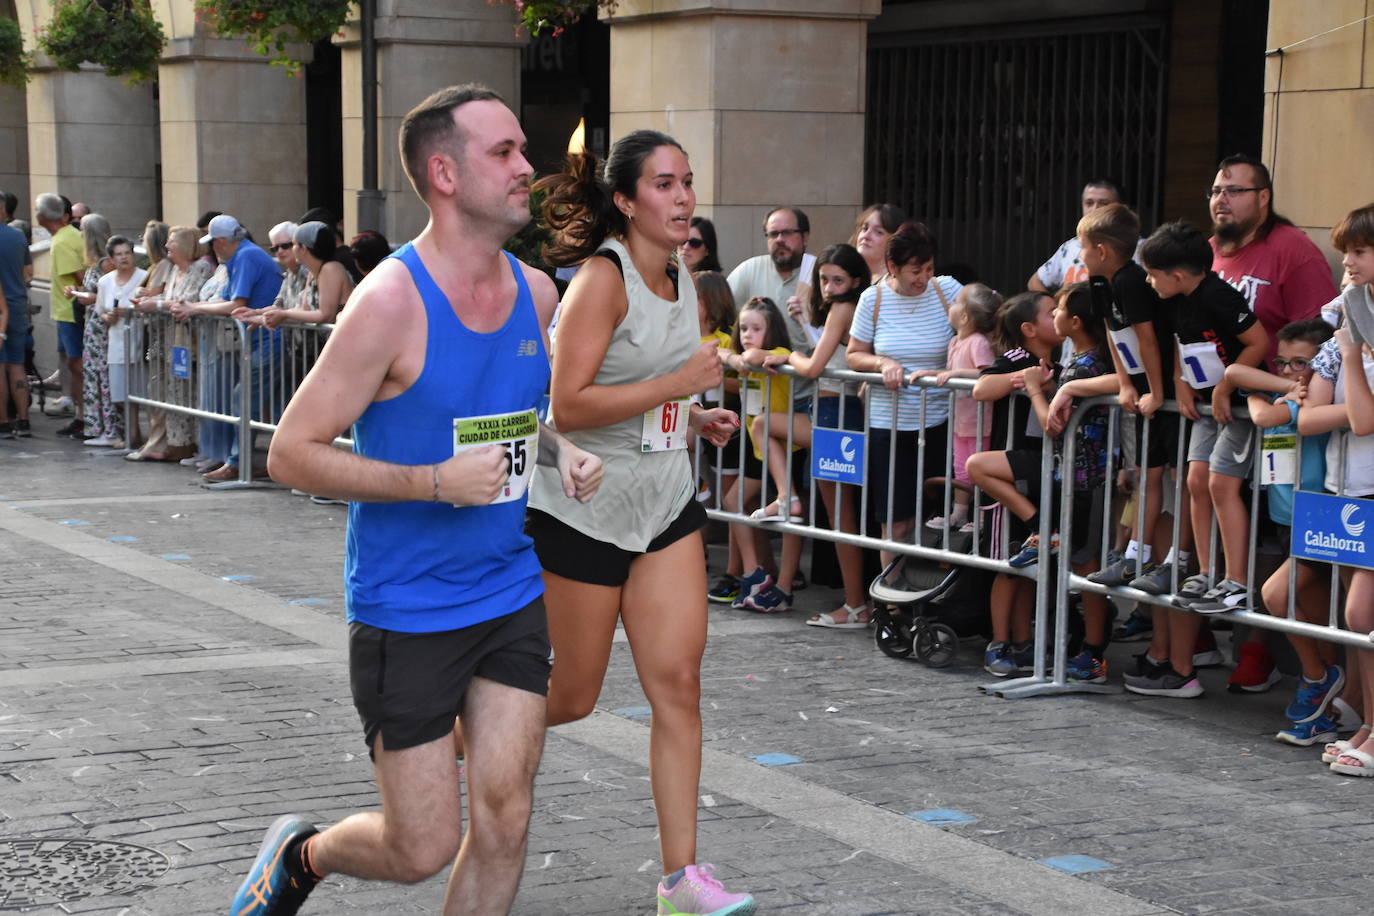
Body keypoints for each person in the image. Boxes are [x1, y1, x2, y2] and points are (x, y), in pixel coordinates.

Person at [229, 84, 604, 916]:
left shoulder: (538, 293)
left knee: (506, 818)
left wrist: (560, 448)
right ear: (443, 172)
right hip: (407, 609)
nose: (526, 168)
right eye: (503, 153)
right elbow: (291, 452)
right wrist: (434, 484)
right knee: (421, 846)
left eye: (521, 149)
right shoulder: (389, 304)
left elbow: (513, 417)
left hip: (509, 590)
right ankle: (304, 854)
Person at [523, 127, 754, 916]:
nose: (683, 197)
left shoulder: (681, 273)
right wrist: (677, 387)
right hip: (585, 509)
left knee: (678, 684)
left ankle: (681, 879)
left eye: (687, 181)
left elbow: (660, 388)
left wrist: (694, 420)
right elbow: (568, 405)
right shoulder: (603, 278)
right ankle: (453, 740)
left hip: (664, 503)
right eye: (663, 184)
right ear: (624, 200)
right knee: (572, 697)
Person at [1123, 221, 1269, 700]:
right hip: (1206, 408)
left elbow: (1259, 343)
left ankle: (1236, 581)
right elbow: (1186, 348)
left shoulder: (1221, 296)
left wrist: (1227, 384)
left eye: (1152, 275)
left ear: (1178, 274)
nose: (1148, 283)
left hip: (1241, 407)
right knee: (1195, 482)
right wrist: (1185, 386)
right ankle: (1205, 574)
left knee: (1223, 486)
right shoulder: (1180, 303)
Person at [1227, 319, 1339, 742]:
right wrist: (1274, 382)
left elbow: (1261, 415)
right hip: (1288, 521)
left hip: (1321, 518)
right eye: (1282, 361)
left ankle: (1317, 679)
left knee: (1276, 595)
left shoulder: (1301, 402)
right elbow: (1234, 373)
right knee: (1316, 616)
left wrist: (1270, 394)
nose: (1291, 371)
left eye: (1301, 363)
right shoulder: (1283, 389)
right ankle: (1327, 704)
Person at [763, 244, 872, 627]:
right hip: (828, 411)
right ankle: (786, 496)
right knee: (764, 424)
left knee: (842, 518)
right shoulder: (843, 308)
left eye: (837, 279)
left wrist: (787, 356)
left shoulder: (845, 308)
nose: (828, 286)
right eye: (823, 279)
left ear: (855, 280)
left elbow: (811, 367)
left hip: (837, 413)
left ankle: (856, 604)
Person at [846, 222, 959, 568]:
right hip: (889, 425)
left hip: (941, 422)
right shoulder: (873, 298)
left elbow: (982, 327)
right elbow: (854, 354)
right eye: (915, 270)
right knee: (895, 521)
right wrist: (883, 363)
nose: (923, 277)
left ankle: (928, 603)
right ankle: (890, 610)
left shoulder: (948, 290)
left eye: (929, 269)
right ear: (893, 267)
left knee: (939, 519)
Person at [967, 292, 1062, 675]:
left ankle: (1023, 643)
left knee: (1029, 571)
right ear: (1029, 329)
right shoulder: (1019, 359)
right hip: (1008, 479)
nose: (1059, 315)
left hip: (1037, 471)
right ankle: (999, 642)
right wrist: (1021, 379)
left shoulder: (1057, 363)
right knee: (1009, 567)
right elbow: (981, 388)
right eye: (1051, 312)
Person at [172, 214, 283, 481]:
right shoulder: (241, 257)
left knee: (245, 399)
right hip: (259, 340)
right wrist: (194, 308)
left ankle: (238, 462)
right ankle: (253, 461)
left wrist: (194, 308)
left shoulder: (245, 257)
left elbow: (236, 304)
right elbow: (227, 300)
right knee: (258, 402)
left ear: (221, 242)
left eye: (214, 243)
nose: (213, 249)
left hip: (267, 340)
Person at [719, 296, 804, 614]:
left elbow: (752, 357)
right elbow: (725, 355)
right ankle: (754, 573)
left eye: (756, 328)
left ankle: (784, 584)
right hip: (757, 450)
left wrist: (739, 358)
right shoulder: (745, 360)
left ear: (772, 331)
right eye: (743, 328)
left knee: (793, 517)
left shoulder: (777, 355)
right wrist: (729, 358)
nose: (747, 334)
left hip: (784, 447)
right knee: (732, 500)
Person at [133, 225, 213, 462]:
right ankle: (178, 445)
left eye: (173, 241)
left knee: (193, 395)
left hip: (192, 343)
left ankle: (195, 446)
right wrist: (149, 301)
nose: (167, 246)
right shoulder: (172, 270)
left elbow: (187, 302)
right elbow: (170, 299)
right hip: (171, 342)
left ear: (186, 245)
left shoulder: (200, 268)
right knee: (174, 394)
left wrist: (156, 305)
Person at [928, 282, 1001, 531]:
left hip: (981, 421)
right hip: (961, 420)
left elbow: (987, 373)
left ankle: (981, 517)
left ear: (966, 316)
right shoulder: (955, 341)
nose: (951, 304)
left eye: (957, 301)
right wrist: (930, 374)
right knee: (960, 468)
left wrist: (958, 373)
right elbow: (950, 373)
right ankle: (959, 513)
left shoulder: (978, 342)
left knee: (979, 470)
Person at [36, 192, 86, 436]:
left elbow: (80, 277)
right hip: (68, 310)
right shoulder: (67, 237)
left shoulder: (63, 241)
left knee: (77, 364)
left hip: (71, 311)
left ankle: (85, 416)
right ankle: (83, 415)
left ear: (42, 216)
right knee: (74, 363)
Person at [92, 236, 148, 450]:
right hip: (116, 341)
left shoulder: (144, 277)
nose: (124, 257)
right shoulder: (105, 281)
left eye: (127, 253)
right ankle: (131, 432)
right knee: (121, 391)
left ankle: (141, 434)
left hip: (140, 340)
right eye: (119, 254)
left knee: (140, 390)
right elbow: (101, 311)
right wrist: (110, 317)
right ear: (112, 258)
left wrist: (131, 311)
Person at [1027, 178, 1127, 294]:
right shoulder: (1070, 247)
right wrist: (1057, 308)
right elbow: (1035, 282)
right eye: (1089, 203)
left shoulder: (1136, 248)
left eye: (1104, 203)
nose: (1095, 209)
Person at [0, 190, 30, 438]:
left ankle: (4, 420)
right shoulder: (18, 236)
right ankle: (23, 419)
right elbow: (27, 272)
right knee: (17, 364)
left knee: (0, 366)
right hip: (18, 304)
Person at [852, 202, 907, 283]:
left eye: (878, 232)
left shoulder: (893, 287)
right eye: (865, 228)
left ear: (894, 242)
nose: (866, 236)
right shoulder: (852, 279)